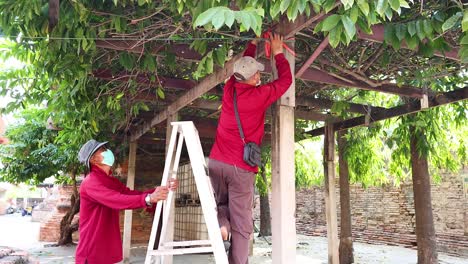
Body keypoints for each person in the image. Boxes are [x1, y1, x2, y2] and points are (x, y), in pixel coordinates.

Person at [208, 33, 292, 264]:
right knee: (243, 222)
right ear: (250, 78)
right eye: (256, 73)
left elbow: (243, 65)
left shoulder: (230, 89)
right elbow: (285, 82)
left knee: (220, 205)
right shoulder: (259, 95)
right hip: (240, 169)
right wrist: (278, 53)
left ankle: (223, 227)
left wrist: (252, 44)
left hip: (216, 163)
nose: (259, 75)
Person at [75, 139, 178, 264]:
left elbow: (130, 194)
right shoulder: (90, 182)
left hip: (107, 248)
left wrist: (158, 190)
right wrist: (149, 198)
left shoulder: (111, 181)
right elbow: (116, 199)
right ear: (93, 160)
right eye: (103, 150)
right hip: (92, 251)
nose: (108, 152)